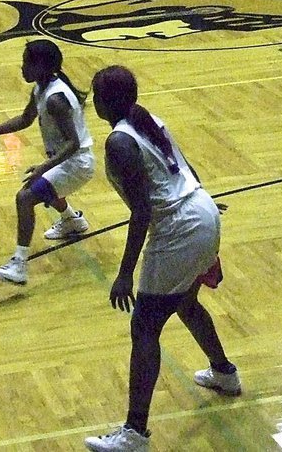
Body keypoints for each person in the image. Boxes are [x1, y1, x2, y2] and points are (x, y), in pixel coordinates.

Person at [85, 65, 240, 452]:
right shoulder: (147, 117)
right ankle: (224, 373)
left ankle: (135, 432)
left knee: (145, 328)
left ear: (106, 102)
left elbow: (141, 213)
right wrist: (202, 207)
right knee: (186, 303)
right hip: (200, 210)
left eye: (95, 94)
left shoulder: (119, 143)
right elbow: (185, 168)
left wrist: (123, 274)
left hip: (180, 228)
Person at [0, 39, 94, 285]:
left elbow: (73, 143)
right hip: (66, 160)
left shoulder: (55, 99)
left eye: (26, 63)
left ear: (42, 66)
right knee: (46, 186)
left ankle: (19, 265)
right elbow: (25, 120)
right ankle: (72, 220)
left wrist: (44, 167)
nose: (22, 68)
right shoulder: (42, 87)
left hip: (77, 163)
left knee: (25, 197)